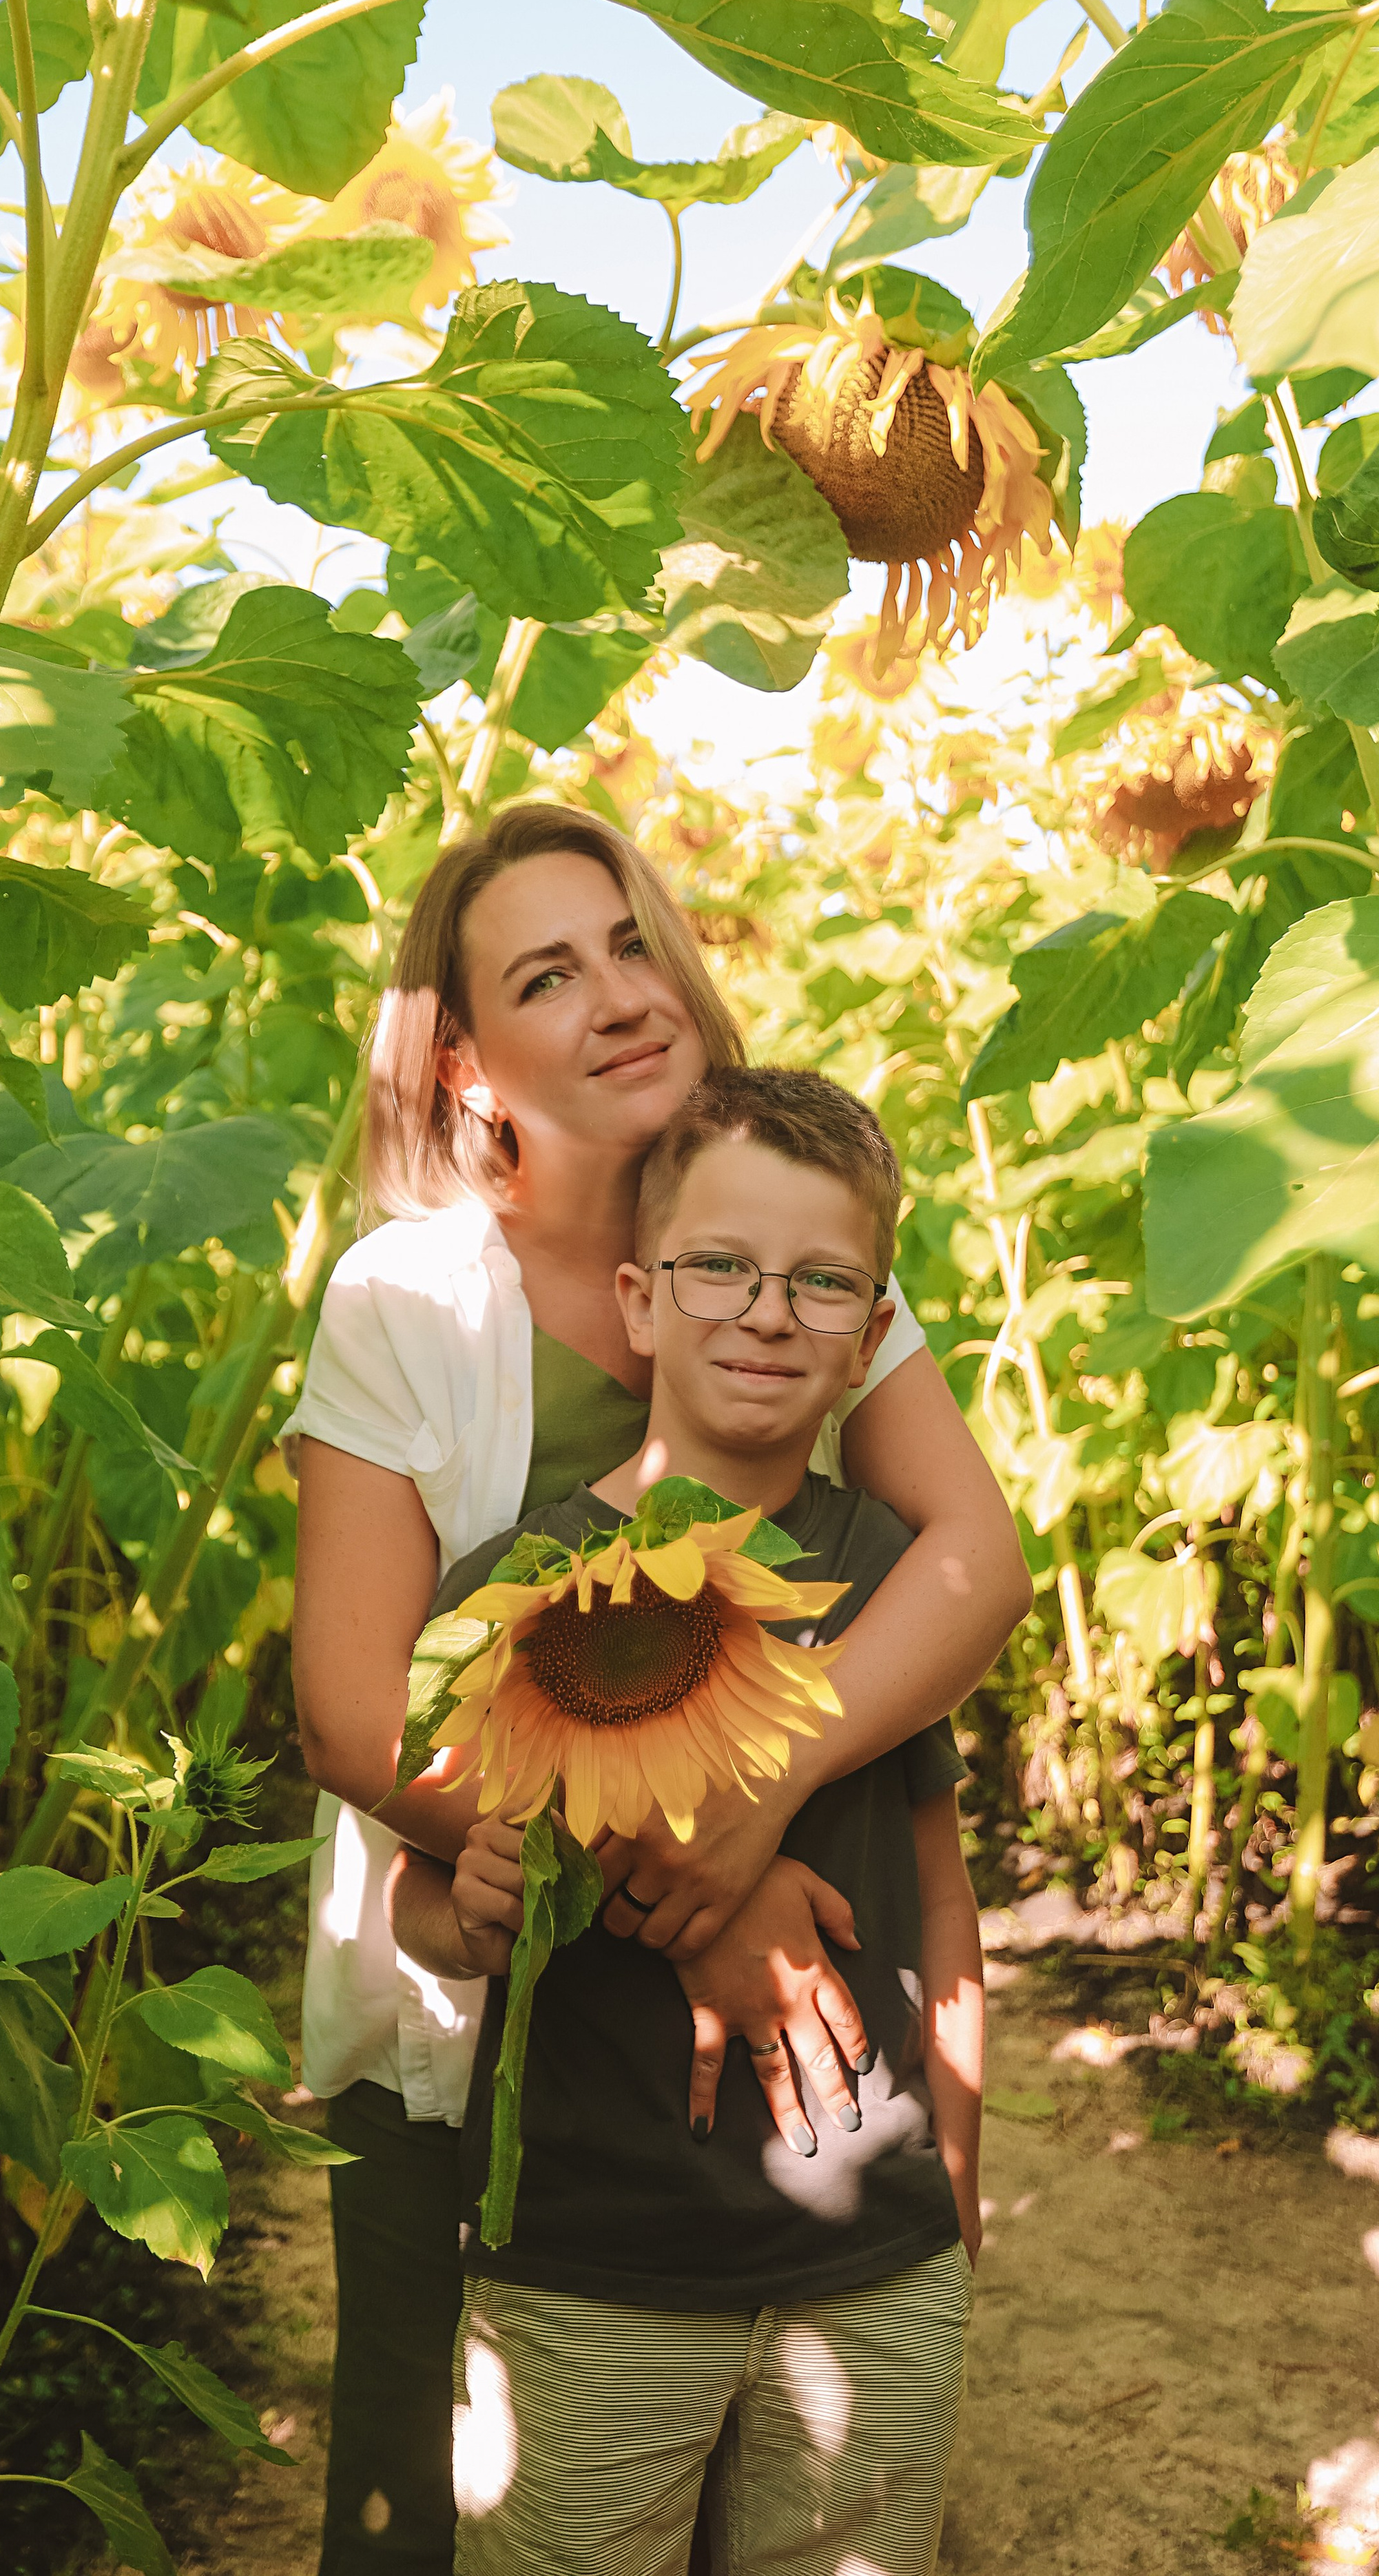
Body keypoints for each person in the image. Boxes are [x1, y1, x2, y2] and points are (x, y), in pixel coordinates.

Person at [287, 805, 1026, 2575]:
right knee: (437, 2498)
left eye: (629, 941)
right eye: (547, 976)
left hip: (779, 2062)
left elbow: (967, 1562)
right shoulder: (410, 1300)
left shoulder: (782, 1232)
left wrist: (757, 1799)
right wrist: (684, 1894)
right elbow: (356, 1720)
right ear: (465, 1067)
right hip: (488, 2018)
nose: (619, 994)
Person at [388, 1065, 985, 2576]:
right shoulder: (513, 1591)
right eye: (720, 1267)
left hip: (869, 2250)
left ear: (868, 1336)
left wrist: (955, 2170)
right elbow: (415, 1889)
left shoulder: (886, 1577)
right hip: (593, 2264)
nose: (767, 1312)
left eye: (819, 1283)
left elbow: (935, 1878)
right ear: (639, 1301)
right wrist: (459, 1912)